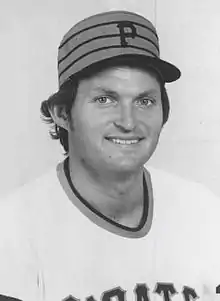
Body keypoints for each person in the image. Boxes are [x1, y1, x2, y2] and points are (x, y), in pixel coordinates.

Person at [0, 10, 219, 301]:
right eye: (105, 99)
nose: (128, 122)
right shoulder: (14, 230)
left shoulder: (203, 210)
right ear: (62, 113)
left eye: (145, 100)